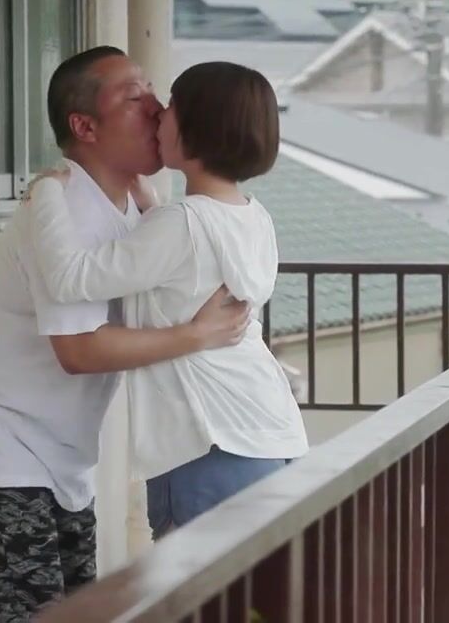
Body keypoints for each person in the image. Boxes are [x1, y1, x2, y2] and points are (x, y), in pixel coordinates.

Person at [0, 47, 251, 622]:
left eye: (151, 91)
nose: (155, 107)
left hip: (61, 452)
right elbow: (78, 350)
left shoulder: (133, 205)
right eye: (133, 96)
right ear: (85, 127)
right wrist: (196, 335)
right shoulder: (68, 206)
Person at [24, 61, 309, 539]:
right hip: (266, 430)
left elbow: (71, 278)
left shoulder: (180, 224)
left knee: (195, 582)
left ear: (198, 128)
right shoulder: (252, 217)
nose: (158, 113)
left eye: (172, 105)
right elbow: (186, 265)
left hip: (209, 441)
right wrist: (150, 202)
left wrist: (47, 192)